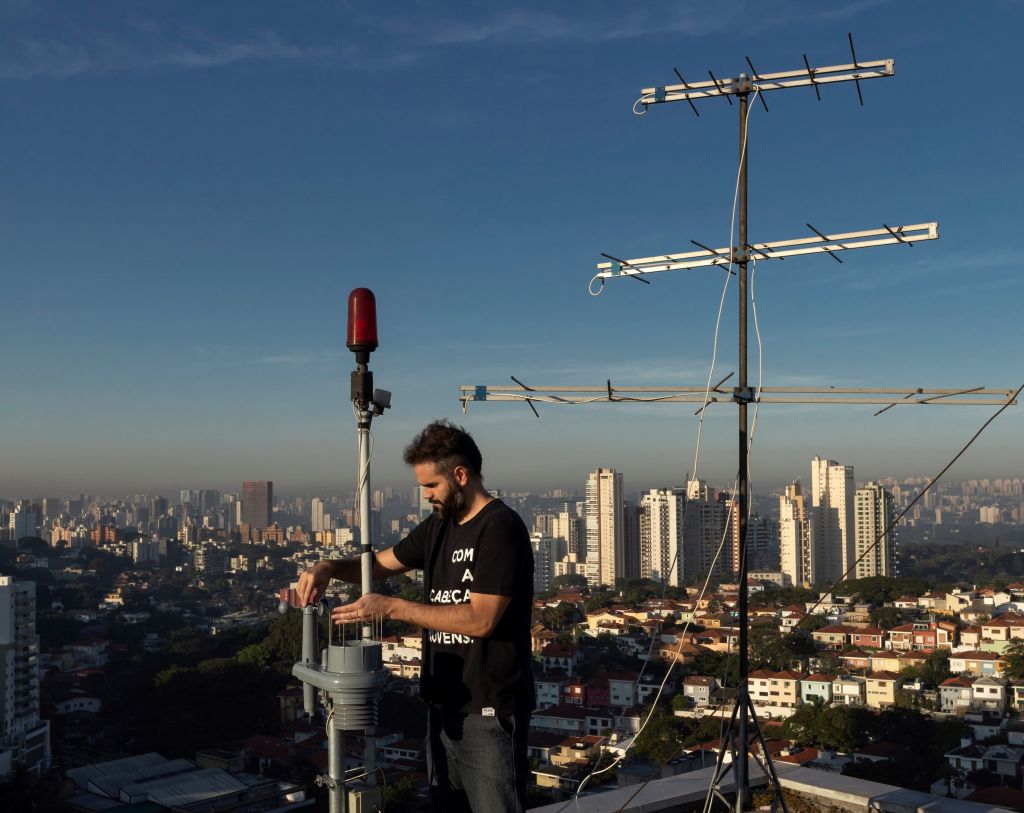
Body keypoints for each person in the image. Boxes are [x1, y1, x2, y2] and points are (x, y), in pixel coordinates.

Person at [296, 420, 534, 813]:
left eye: (431, 486)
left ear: (461, 475)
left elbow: (482, 619)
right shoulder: (439, 526)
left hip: (488, 712)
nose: (425, 496)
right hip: (443, 707)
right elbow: (379, 565)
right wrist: (327, 567)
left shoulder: (499, 528)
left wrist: (391, 607)